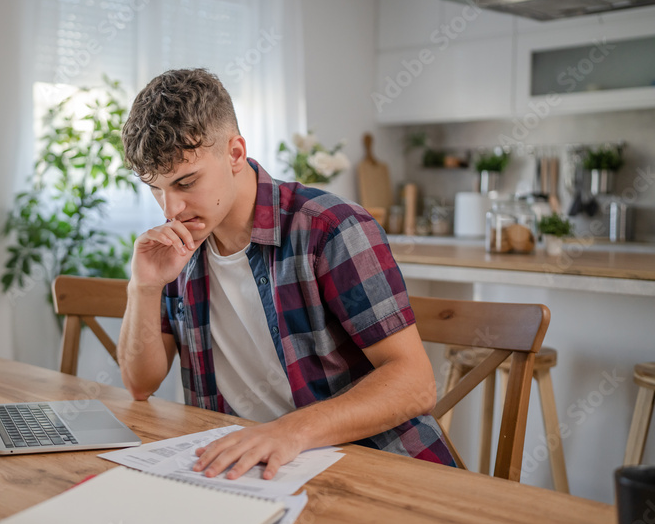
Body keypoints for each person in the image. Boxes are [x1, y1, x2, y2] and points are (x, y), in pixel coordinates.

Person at [116, 68, 455, 481]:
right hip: (254, 472)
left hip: (374, 468)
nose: (170, 209)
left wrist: (289, 432)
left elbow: (416, 384)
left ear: (235, 154)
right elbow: (140, 384)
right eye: (156, 188)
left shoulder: (330, 228)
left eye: (186, 182)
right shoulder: (181, 246)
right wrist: (145, 287)